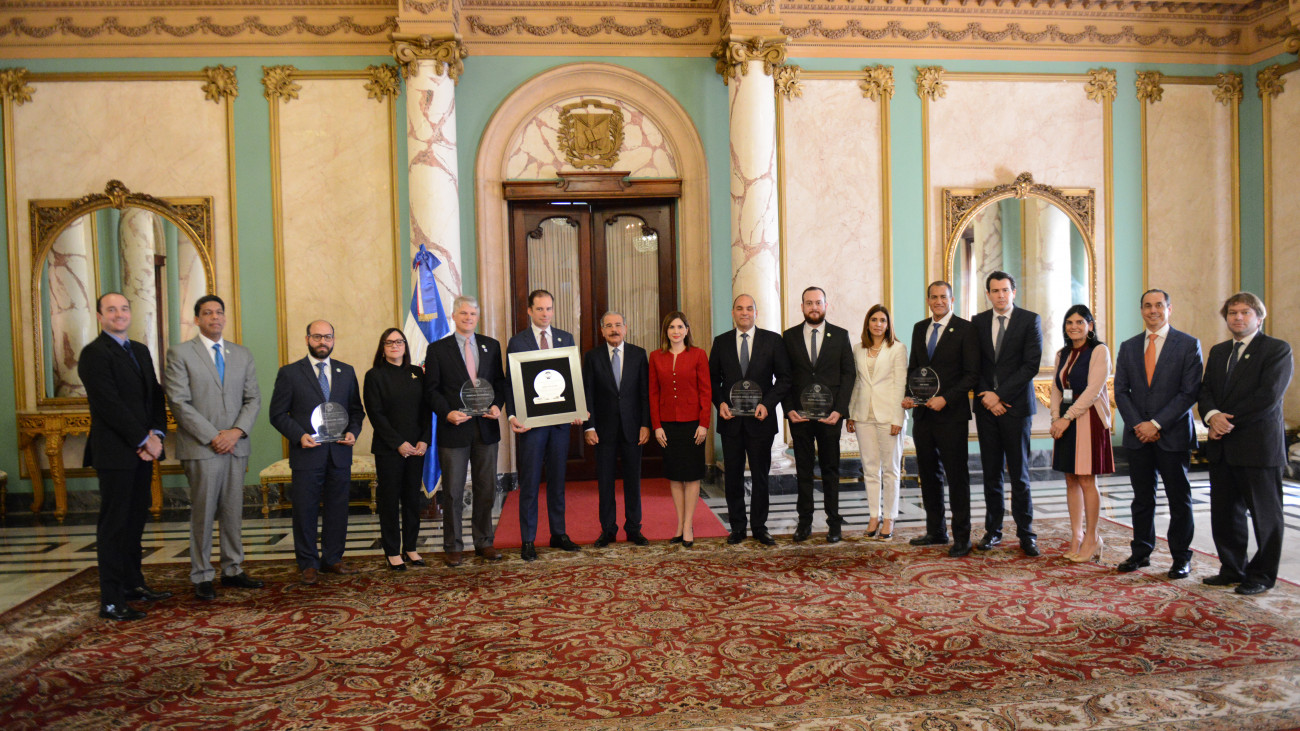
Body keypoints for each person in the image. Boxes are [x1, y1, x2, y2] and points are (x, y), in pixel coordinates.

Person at [79, 292, 172, 620]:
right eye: (111, 309)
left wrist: (157, 435)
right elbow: (109, 404)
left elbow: (155, 395)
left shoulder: (140, 350)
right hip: (115, 453)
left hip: (143, 452)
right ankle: (111, 599)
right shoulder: (94, 354)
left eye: (123, 308)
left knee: (135, 521)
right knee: (114, 526)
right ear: (100, 315)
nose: (119, 314)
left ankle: (133, 584)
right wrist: (143, 440)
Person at [164, 294, 263, 602]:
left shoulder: (242, 354)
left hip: (236, 445)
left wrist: (235, 432)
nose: (215, 317)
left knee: (233, 511)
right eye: (208, 313)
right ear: (197, 319)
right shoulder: (180, 353)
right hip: (201, 447)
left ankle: (233, 569)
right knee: (204, 512)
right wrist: (213, 436)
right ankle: (202, 574)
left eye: (219, 312)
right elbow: (179, 402)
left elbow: (253, 399)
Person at [1199, 292, 1294, 595]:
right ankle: (1232, 569)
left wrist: (1225, 422)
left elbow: (1268, 396)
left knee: (1265, 517)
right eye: (1232, 313)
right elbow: (1205, 391)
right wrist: (1211, 416)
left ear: (1259, 317)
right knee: (1225, 515)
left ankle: (1262, 575)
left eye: (1245, 312)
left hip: (1258, 447)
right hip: (1223, 447)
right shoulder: (1219, 351)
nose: (1238, 317)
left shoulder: (1276, 349)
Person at [1113, 289, 1203, 579]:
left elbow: (1189, 392)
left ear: (1169, 308)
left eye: (1159, 305)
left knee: (1179, 499)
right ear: (1141, 310)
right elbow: (1120, 391)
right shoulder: (1128, 347)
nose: (1153, 310)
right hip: (1138, 436)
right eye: (1148, 306)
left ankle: (1180, 558)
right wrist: (1140, 424)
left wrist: (1157, 424)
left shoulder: (1188, 344)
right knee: (1142, 498)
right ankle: (1141, 552)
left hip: (1173, 434)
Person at [269, 320, 365, 584]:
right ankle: (308, 563)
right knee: (305, 510)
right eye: (317, 337)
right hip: (307, 453)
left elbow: (356, 411)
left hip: (339, 454)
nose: (323, 342)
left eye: (328, 337)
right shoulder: (289, 373)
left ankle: (333, 558)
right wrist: (299, 435)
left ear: (333, 339)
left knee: (338, 509)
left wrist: (353, 432)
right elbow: (277, 414)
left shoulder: (346, 371)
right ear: (307, 339)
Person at [425, 295, 508, 565]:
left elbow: (499, 382)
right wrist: (447, 413)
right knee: (452, 491)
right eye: (463, 313)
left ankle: (484, 542)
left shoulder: (491, 346)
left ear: (478, 317)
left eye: (473, 314)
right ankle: (453, 545)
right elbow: (431, 390)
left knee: (486, 488)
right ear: (453, 316)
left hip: (486, 428)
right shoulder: (438, 349)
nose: (468, 318)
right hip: (454, 429)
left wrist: (497, 406)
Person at [507, 289, 584, 561]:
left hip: (560, 425)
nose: (545, 314)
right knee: (529, 482)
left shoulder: (566, 338)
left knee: (557, 481)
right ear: (529, 310)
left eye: (549, 308)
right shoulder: (518, 342)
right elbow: (510, 383)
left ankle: (558, 533)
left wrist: (578, 409)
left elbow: (573, 378)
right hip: (531, 426)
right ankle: (528, 539)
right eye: (540, 309)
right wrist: (512, 416)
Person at [904, 282, 980, 557]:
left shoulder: (965, 329)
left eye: (943, 297)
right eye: (934, 297)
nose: (938, 301)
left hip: (951, 415)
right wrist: (909, 395)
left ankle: (962, 538)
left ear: (952, 299)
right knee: (928, 474)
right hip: (923, 414)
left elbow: (971, 374)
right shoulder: (919, 328)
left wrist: (946, 398)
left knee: (956, 477)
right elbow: (914, 368)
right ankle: (936, 530)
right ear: (928, 300)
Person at [710, 294, 792, 546]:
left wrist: (768, 404)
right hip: (731, 422)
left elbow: (785, 378)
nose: (744, 312)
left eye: (749, 308)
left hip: (761, 422)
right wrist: (721, 403)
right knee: (733, 477)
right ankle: (737, 527)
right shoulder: (721, 342)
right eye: (739, 308)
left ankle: (759, 526)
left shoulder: (772, 340)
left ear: (756, 312)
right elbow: (712, 381)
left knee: (760, 477)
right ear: (732, 313)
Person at [971, 271, 1044, 557]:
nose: (1000, 295)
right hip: (986, 409)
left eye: (1005, 290)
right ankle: (993, 531)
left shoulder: (1029, 320)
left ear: (1014, 292)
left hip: (1016, 409)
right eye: (995, 290)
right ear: (988, 294)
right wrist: (988, 397)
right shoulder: (977, 322)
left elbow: (1030, 365)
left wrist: (999, 396)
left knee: (1020, 475)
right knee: (991, 474)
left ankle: (1026, 534)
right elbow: (973, 365)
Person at [782, 286, 855, 543]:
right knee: (803, 469)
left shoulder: (840, 335)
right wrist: (789, 409)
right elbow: (783, 376)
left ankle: (834, 523)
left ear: (826, 305)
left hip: (830, 416)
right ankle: (804, 523)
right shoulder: (789, 337)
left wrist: (840, 411)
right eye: (809, 303)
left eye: (818, 302)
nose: (814, 307)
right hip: (800, 416)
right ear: (802, 306)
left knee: (830, 469)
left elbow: (849, 375)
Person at [1048, 305, 1114, 563]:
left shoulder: (1099, 351)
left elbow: (1093, 390)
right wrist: (1056, 417)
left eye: (1079, 322)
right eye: (1069, 322)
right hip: (1065, 419)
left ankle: (1093, 537)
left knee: (1086, 479)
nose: (1074, 326)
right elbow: (1056, 388)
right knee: (1070, 479)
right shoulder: (1062, 353)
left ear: (1090, 326)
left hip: (1088, 418)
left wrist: (1067, 418)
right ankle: (1076, 535)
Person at [364, 328, 431, 570]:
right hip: (389, 448)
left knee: (412, 499)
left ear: (405, 345)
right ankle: (392, 551)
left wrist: (424, 439)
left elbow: (426, 409)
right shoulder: (374, 375)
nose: (395, 345)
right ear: (382, 348)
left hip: (416, 448)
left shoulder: (417, 373)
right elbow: (375, 414)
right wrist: (398, 443)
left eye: (399, 341)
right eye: (389, 342)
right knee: (390, 501)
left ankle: (410, 548)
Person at [583, 311, 651, 548]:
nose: (614, 329)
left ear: (626, 328)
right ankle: (608, 530)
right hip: (603, 430)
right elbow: (587, 394)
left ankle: (634, 528)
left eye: (618, 325)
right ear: (602, 330)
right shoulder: (592, 357)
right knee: (605, 482)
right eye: (609, 326)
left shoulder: (639, 354)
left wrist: (645, 424)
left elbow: (645, 393)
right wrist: (589, 427)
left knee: (633, 481)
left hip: (633, 428)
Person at [649, 311, 711, 547]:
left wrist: (704, 423)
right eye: (671, 327)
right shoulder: (656, 357)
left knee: (692, 475)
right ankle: (680, 523)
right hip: (667, 425)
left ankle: (688, 525)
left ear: (687, 330)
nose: (676, 331)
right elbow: (653, 394)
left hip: (693, 425)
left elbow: (706, 391)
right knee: (675, 477)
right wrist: (656, 426)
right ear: (666, 331)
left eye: (680, 327)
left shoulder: (698, 354)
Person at [846, 304, 907, 542]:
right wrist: (851, 413)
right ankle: (874, 515)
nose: (878, 324)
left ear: (888, 325)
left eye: (883, 320)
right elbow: (857, 382)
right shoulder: (858, 348)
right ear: (867, 323)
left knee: (890, 470)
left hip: (889, 416)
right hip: (863, 415)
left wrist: (898, 417)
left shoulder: (897, 349)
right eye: (874, 319)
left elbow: (900, 384)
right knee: (870, 469)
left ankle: (890, 517)